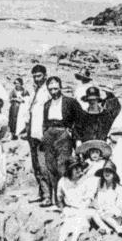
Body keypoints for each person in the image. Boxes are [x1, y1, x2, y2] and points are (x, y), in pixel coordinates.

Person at [41, 76, 86, 206]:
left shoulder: (70, 102)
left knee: (63, 165)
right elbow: (44, 122)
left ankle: (65, 200)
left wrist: (76, 137)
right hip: (50, 133)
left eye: (56, 88)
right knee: (50, 166)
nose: (53, 91)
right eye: (50, 89)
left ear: (60, 87)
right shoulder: (47, 104)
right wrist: (45, 134)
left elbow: (80, 120)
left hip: (63, 133)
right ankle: (55, 200)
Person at [18, 64, 53, 205]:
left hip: (42, 133)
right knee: (36, 165)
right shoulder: (34, 91)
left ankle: (48, 196)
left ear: (45, 75)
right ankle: (42, 192)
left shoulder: (48, 91)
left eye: (39, 76)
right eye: (34, 76)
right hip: (32, 133)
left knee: (43, 165)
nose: (37, 79)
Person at [54, 159, 98, 241]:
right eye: (75, 168)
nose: (79, 170)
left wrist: (82, 207)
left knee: (80, 217)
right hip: (70, 208)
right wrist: (62, 209)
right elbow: (59, 197)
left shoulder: (86, 180)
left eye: (79, 167)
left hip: (83, 208)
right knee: (68, 221)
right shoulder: (63, 181)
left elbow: (89, 197)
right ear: (70, 170)